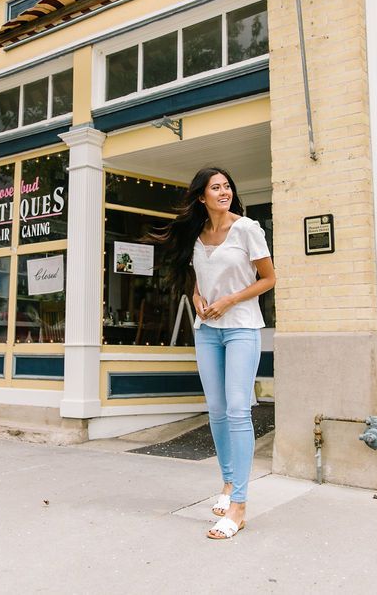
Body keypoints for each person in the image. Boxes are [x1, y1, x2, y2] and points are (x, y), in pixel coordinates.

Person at [146, 167, 275, 539]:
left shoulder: (247, 229)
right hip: (207, 331)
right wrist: (198, 297)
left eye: (227, 186)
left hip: (242, 328)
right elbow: (193, 279)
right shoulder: (197, 235)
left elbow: (269, 278)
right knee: (217, 412)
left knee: (237, 409)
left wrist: (231, 299)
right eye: (215, 187)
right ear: (201, 197)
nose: (224, 192)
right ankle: (229, 482)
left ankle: (239, 506)